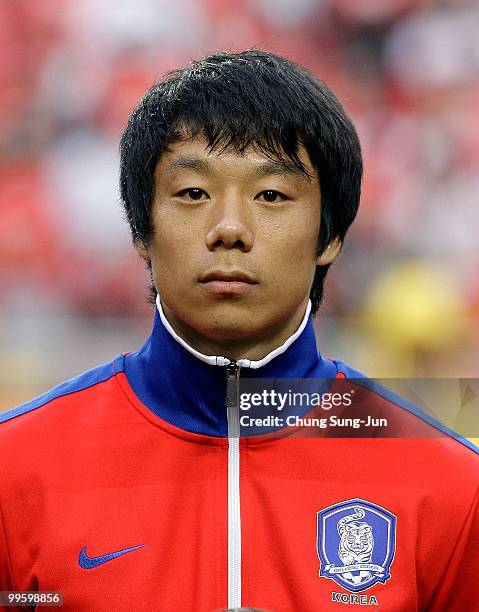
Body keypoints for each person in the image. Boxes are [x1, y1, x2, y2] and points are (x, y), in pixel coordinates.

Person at [0, 50, 477, 612]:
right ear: (142, 230)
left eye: (271, 195)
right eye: (193, 193)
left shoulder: (451, 485)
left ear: (330, 236)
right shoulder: (14, 471)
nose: (229, 228)